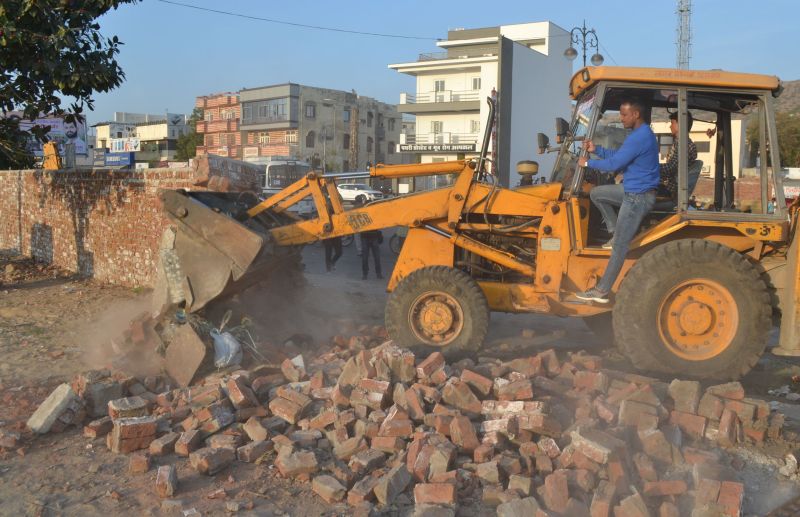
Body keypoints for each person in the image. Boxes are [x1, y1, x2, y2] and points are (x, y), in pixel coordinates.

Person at [576, 98, 660, 303]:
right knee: (597, 194)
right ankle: (614, 231)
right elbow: (620, 155)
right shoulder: (639, 134)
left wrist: (587, 163)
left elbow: (614, 164)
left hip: (637, 198)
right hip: (632, 191)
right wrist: (596, 150)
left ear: (635, 115)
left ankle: (601, 291)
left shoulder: (640, 137)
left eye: (624, 114)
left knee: (620, 248)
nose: (621, 118)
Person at [657, 111, 698, 202]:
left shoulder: (685, 145)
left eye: (672, 123)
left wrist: (650, 167)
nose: (670, 126)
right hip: (668, 186)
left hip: (670, 189)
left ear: (681, 125)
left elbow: (671, 167)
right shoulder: (679, 143)